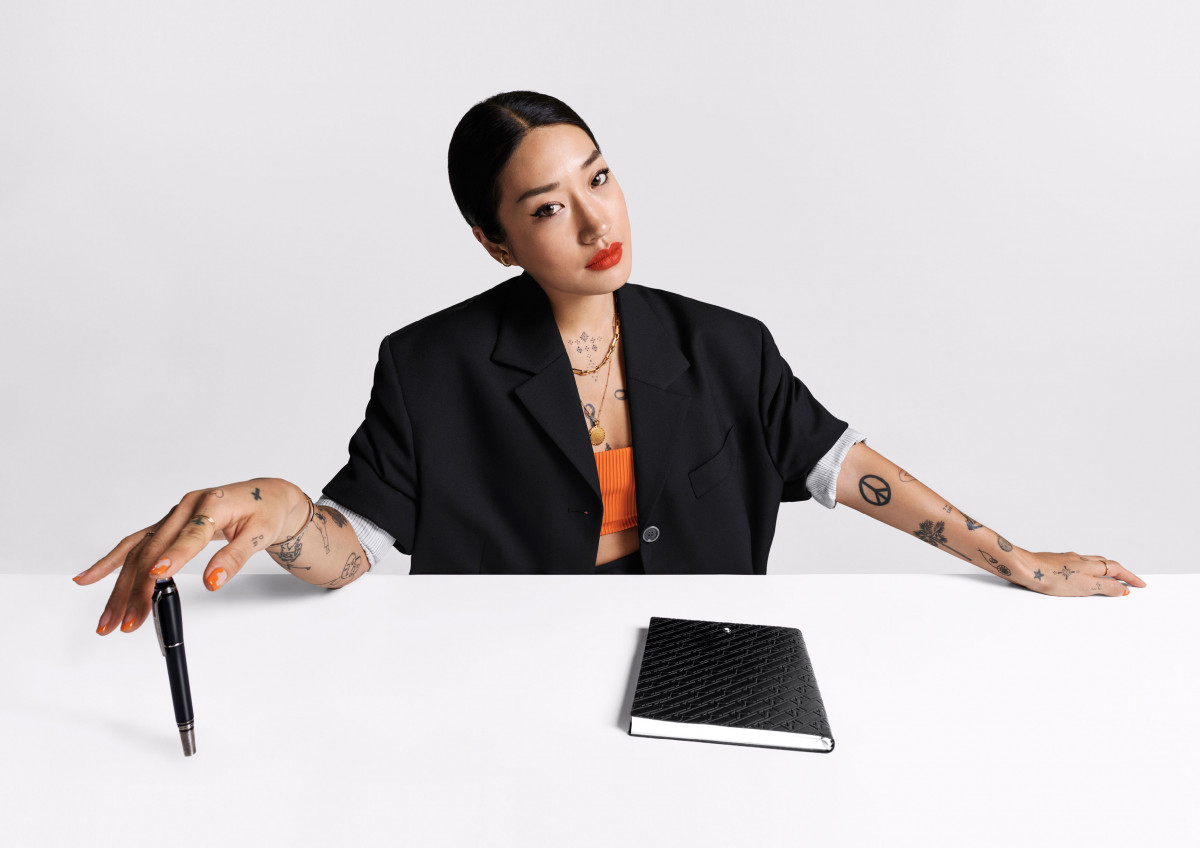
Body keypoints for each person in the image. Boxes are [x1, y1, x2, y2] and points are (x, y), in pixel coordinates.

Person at [75, 91, 1145, 635]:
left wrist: (1014, 558)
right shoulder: (428, 364)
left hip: (710, 654)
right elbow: (354, 553)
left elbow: (840, 465)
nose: (597, 222)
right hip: (506, 671)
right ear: (496, 241)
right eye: (548, 207)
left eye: (599, 177)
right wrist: (281, 508)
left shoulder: (725, 344)